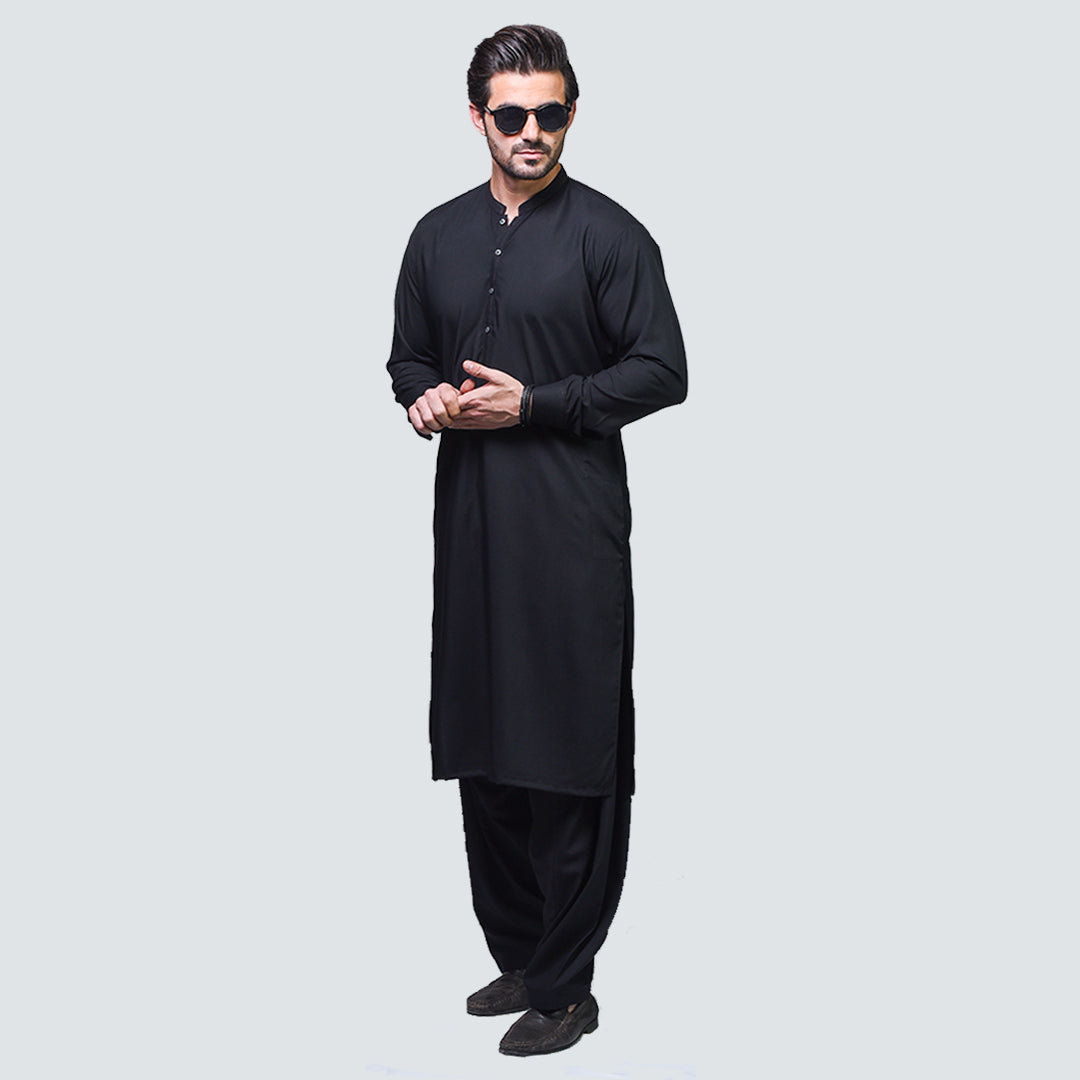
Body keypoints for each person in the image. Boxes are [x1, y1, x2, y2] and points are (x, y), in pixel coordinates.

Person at [386, 24, 687, 1057]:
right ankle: (521, 953)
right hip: (472, 532)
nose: (531, 131)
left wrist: (539, 404)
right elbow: (407, 356)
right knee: (486, 750)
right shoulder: (436, 236)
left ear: (571, 113)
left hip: (570, 536)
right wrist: (423, 397)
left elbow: (663, 369)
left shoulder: (610, 236)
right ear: (478, 116)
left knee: (565, 756)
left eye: (549, 113)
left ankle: (568, 987)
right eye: (511, 113)